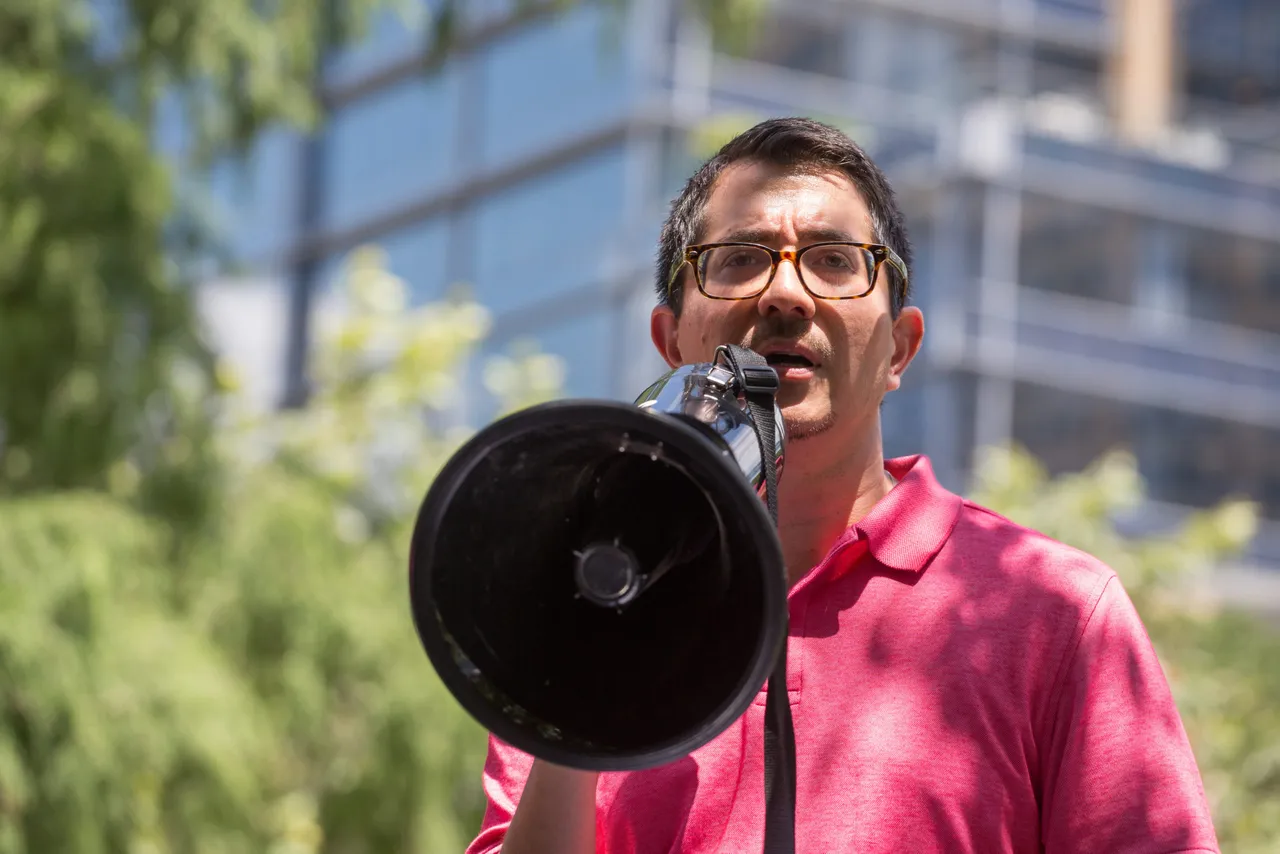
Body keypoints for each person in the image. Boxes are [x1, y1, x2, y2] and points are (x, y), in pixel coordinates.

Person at [464, 117, 1219, 853]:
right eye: (739, 259)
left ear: (900, 349)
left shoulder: (1057, 611)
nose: (786, 294)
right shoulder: (580, 600)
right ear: (671, 342)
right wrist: (585, 667)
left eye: (833, 260)